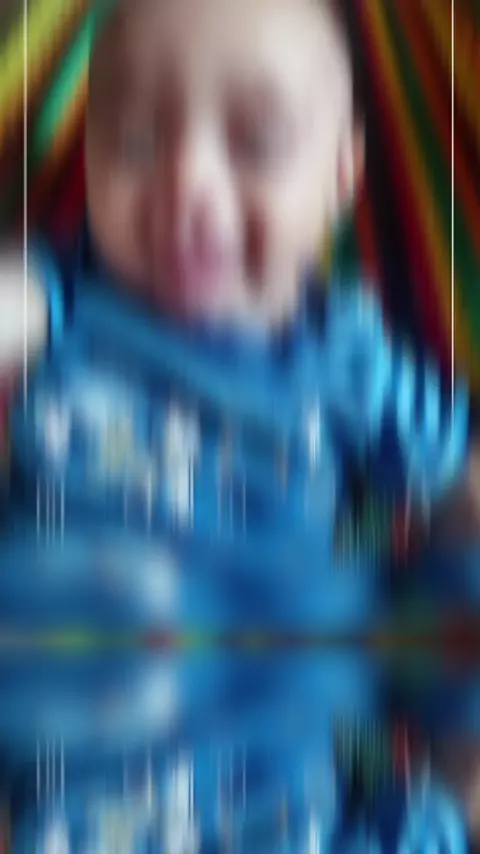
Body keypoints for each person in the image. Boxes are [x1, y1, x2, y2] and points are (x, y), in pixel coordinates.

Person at [0, 0, 479, 849]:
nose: (187, 182)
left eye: (257, 143)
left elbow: (456, 480)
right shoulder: (65, 298)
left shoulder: (347, 358)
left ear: (341, 178)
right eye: (135, 140)